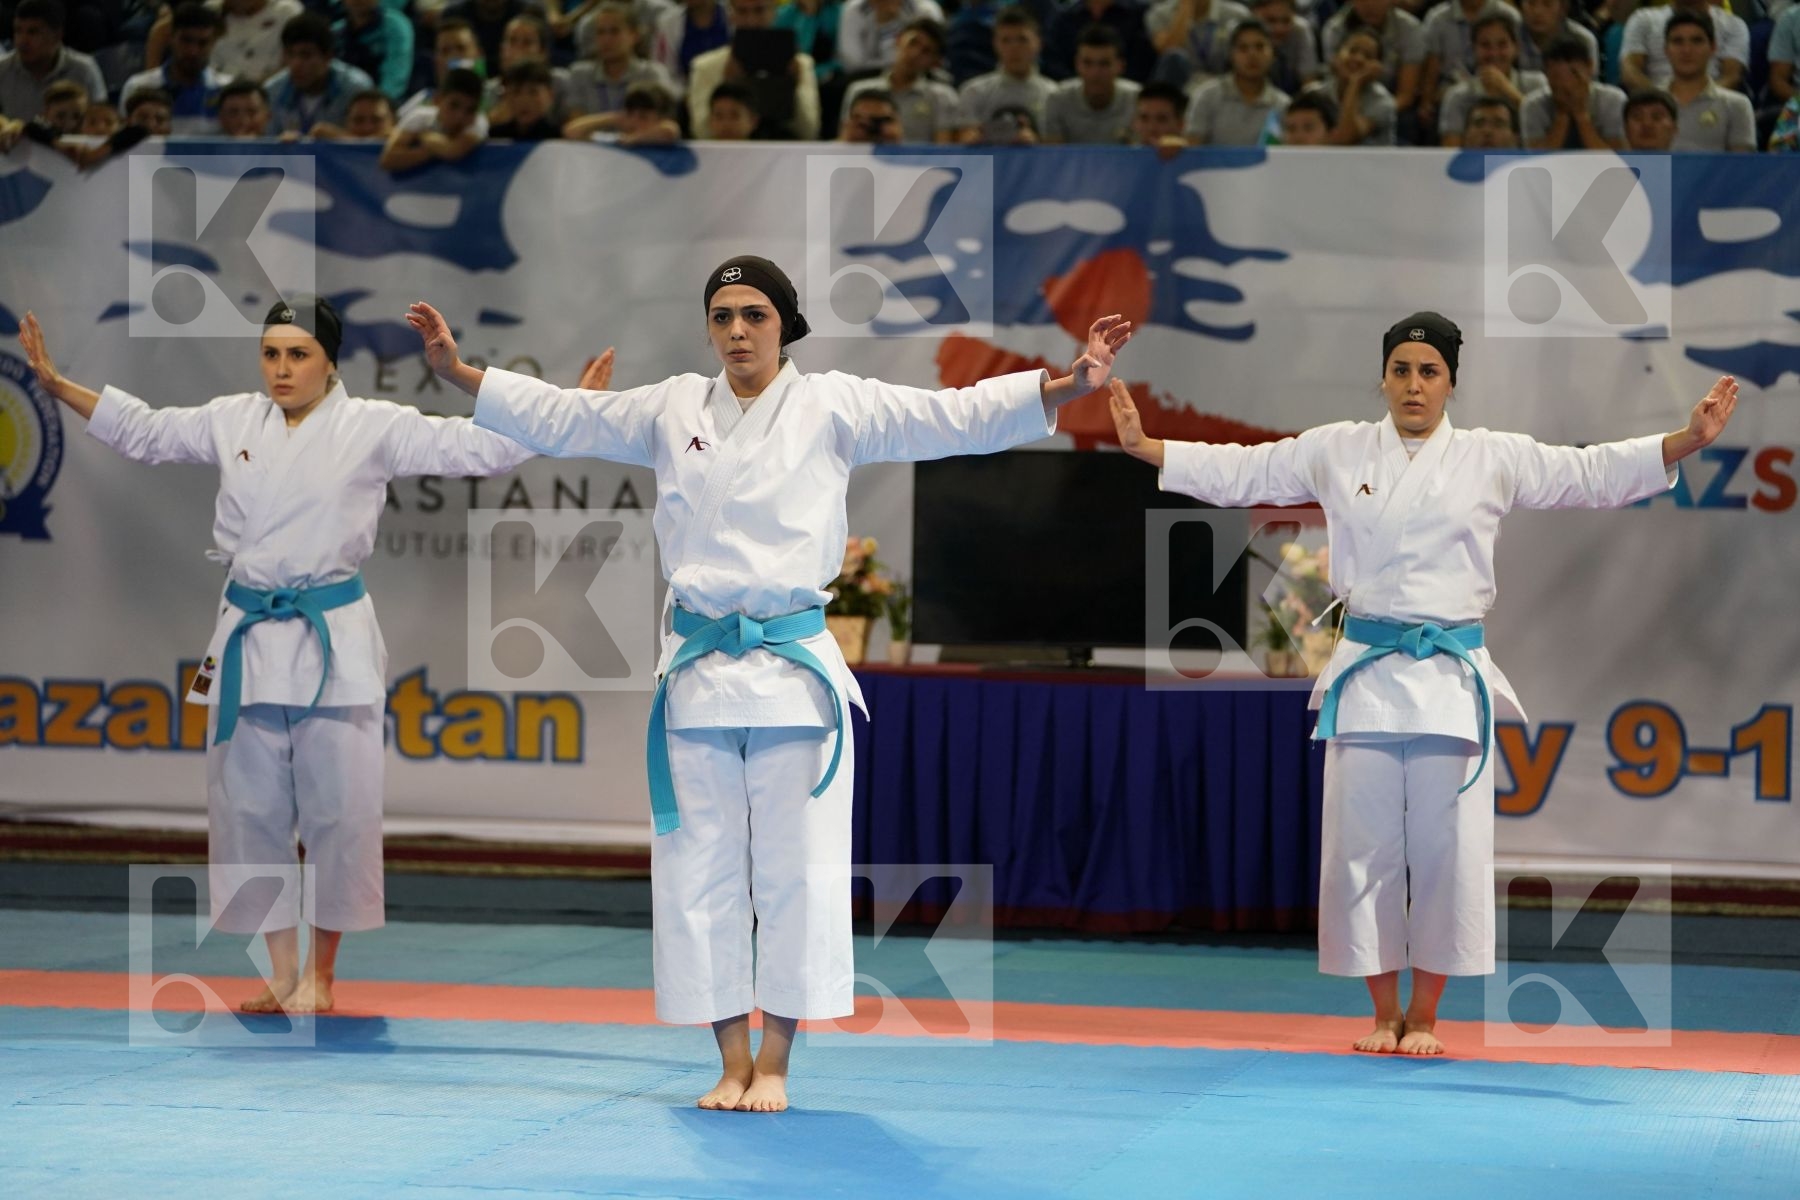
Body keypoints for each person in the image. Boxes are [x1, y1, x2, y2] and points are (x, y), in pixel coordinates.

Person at [406, 259, 1132, 1111]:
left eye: (754, 314)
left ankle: (778, 1061)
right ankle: (727, 1060)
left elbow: (953, 415)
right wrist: (461, 373)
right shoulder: (673, 405)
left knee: (799, 872)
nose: (738, 330)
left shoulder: (836, 404)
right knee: (698, 872)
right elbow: (570, 416)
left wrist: (1061, 387)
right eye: (722, 316)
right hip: (697, 671)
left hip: (795, 678)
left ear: (784, 323)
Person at [1108, 313, 1737, 1056]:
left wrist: (1685, 441)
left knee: (1448, 852)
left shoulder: (1489, 457)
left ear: (1450, 384)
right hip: (1367, 677)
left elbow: (1588, 473)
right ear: (1383, 378)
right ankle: (1381, 1014)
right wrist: (1148, 447)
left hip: (1448, 679)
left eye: (1429, 371)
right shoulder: (1337, 449)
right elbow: (1246, 469)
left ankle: (1428, 1016)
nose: (1414, 384)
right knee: (1362, 850)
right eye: (1401, 369)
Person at [17, 298, 549, 1015]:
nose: (282, 369)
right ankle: (279, 968)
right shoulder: (233, 418)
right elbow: (143, 431)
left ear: (329, 360)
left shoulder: (372, 426)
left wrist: (563, 408)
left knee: (340, 812)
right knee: (250, 811)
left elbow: (480, 449)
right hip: (247, 634)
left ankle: (323, 975)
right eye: (271, 354)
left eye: (298, 355)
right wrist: (54, 385)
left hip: (333, 637)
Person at [686, 0, 822, 139]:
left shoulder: (801, 65)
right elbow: (701, 133)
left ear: (774, 13)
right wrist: (726, 83)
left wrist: (795, 85)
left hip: (782, 153)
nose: (751, 21)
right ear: (730, 15)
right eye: (742, 12)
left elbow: (809, 132)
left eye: (759, 10)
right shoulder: (705, 67)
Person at [840, 18, 970, 143]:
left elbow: (944, 153)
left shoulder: (943, 97)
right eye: (913, 42)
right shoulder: (859, 90)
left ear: (935, 62)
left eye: (926, 51)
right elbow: (845, 144)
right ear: (898, 40)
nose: (915, 53)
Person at [122, 3, 232, 135]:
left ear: (214, 43)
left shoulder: (227, 89)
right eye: (186, 40)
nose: (193, 51)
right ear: (171, 38)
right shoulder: (139, 86)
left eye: (202, 43)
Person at [1436, 14, 1544, 147]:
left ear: (1516, 48)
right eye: (1485, 45)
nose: (1494, 53)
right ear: (1474, 50)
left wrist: (1509, 91)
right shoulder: (1457, 96)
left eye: (1502, 44)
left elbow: (1548, 139)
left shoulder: (1537, 85)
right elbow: (1450, 151)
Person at [263, 12, 376, 135]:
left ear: (328, 57)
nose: (296, 64)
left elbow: (371, 144)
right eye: (290, 54)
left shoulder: (356, 89)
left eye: (306, 55)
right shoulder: (272, 92)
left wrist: (338, 138)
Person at [1661, 10, 1755, 151]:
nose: (1687, 50)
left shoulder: (1737, 105)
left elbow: (1741, 167)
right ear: (1666, 50)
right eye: (1677, 41)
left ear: (1713, 48)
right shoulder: (1647, 105)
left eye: (1696, 41)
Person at [0, 0, 106, 123]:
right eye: (18, 31)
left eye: (33, 32)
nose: (22, 41)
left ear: (57, 35)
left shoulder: (84, 70)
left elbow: (101, 123)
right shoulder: (2, 69)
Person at [1185, 19, 1289, 144]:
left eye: (1260, 47)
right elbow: (1192, 148)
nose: (1252, 54)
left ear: (1273, 54)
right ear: (1231, 55)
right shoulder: (1207, 97)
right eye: (1243, 48)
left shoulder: (1283, 105)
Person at [958, 6, 1056, 136]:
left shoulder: (1053, 95)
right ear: (995, 44)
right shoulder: (973, 92)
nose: (1014, 48)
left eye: (1022, 39)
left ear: (1038, 43)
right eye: (1006, 40)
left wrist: (1035, 145)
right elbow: (964, 146)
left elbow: (1057, 150)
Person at [1522, 34, 1626, 150]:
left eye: (1574, 73)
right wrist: (1562, 114)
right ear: (1546, 73)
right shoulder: (1532, 105)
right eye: (1556, 76)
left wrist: (1581, 114)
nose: (1566, 83)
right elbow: (1536, 161)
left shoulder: (1613, 100)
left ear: (1590, 67)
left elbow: (1616, 161)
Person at [1042, 22, 1141, 142]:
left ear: (1120, 66)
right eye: (1087, 63)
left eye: (1104, 64)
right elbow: (1053, 155)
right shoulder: (1057, 100)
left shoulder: (1137, 100)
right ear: (1077, 64)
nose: (1095, 72)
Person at [1302, 26, 1396, 143]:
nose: (1358, 59)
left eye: (1368, 56)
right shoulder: (1312, 94)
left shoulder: (1382, 102)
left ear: (1378, 67)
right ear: (1336, 57)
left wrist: (1355, 83)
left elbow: (1346, 138)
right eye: (1352, 51)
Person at [381, 66, 487, 168]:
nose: (460, 116)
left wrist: (424, 136)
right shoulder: (419, 116)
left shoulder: (479, 122)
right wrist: (436, 149)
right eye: (454, 105)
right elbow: (388, 159)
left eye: (470, 110)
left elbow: (453, 151)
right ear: (437, 99)